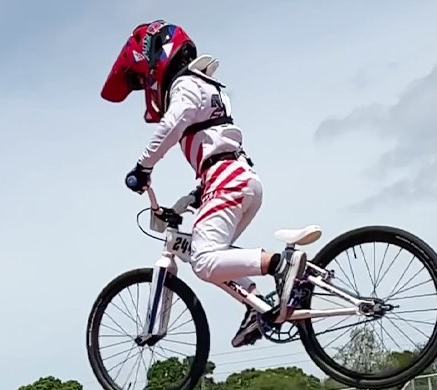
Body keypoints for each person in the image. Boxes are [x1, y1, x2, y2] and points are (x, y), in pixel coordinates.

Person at [100, 20, 318, 347]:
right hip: (239, 177)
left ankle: (281, 265)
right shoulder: (207, 86)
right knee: (216, 254)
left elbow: (174, 125)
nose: (146, 86)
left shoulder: (185, 84)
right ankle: (255, 303)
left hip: (227, 179)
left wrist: (143, 167)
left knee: (203, 260)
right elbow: (215, 141)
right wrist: (193, 195)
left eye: (143, 78)